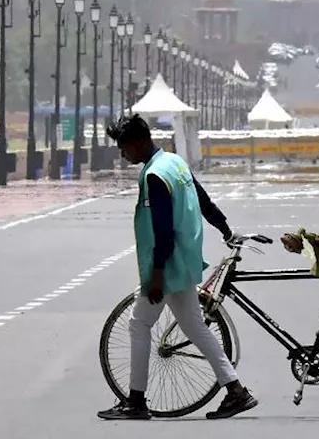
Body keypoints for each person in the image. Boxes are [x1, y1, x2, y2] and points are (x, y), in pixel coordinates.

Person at [97, 114, 258, 421]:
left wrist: (156, 275)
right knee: (195, 327)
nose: (123, 154)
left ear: (140, 142)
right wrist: (225, 229)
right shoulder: (175, 162)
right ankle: (236, 391)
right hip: (185, 261)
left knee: (139, 324)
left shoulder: (155, 176)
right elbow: (203, 199)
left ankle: (135, 401)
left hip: (167, 267)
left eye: (124, 147)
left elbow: (163, 231)